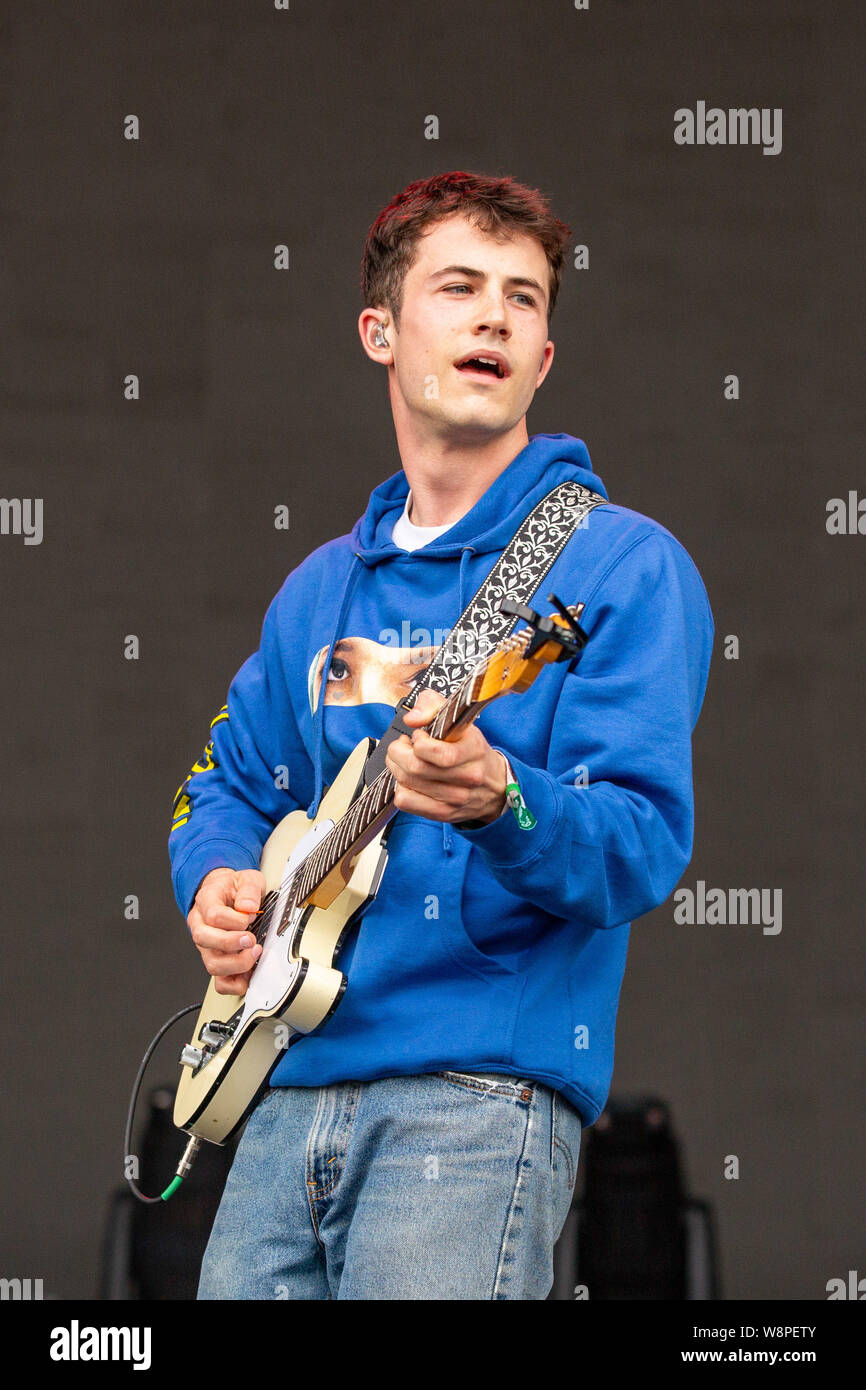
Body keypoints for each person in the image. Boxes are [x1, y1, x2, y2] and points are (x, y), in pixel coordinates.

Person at [168, 170, 714, 1300]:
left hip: (475, 1104)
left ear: (543, 358)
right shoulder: (318, 589)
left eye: (523, 298)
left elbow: (638, 843)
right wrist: (217, 876)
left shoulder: (616, 566)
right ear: (378, 330)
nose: (495, 316)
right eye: (459, 286)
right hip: (281, 1086)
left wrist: (497, 798)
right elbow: (218, 780)